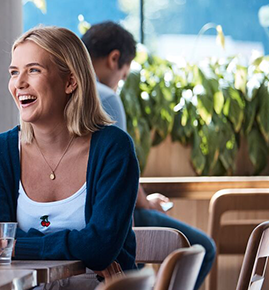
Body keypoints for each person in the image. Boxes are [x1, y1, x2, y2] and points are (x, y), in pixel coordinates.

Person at [0, 26, 139, 289]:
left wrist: (17, 244)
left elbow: (100, 248)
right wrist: (79, 245)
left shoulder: (114, 148)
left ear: (70, 81)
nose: (19, 83)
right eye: (13, 72)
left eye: (33, 70)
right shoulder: (0, 152)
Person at [82, 21, 215, 290]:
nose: (120, 83)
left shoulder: (62, 92)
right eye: (123, 75)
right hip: (110, 213)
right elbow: (119, 172)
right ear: (114, 59)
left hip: (83, 211)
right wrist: (146, 202)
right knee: (203, 248)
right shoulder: (105, 97)